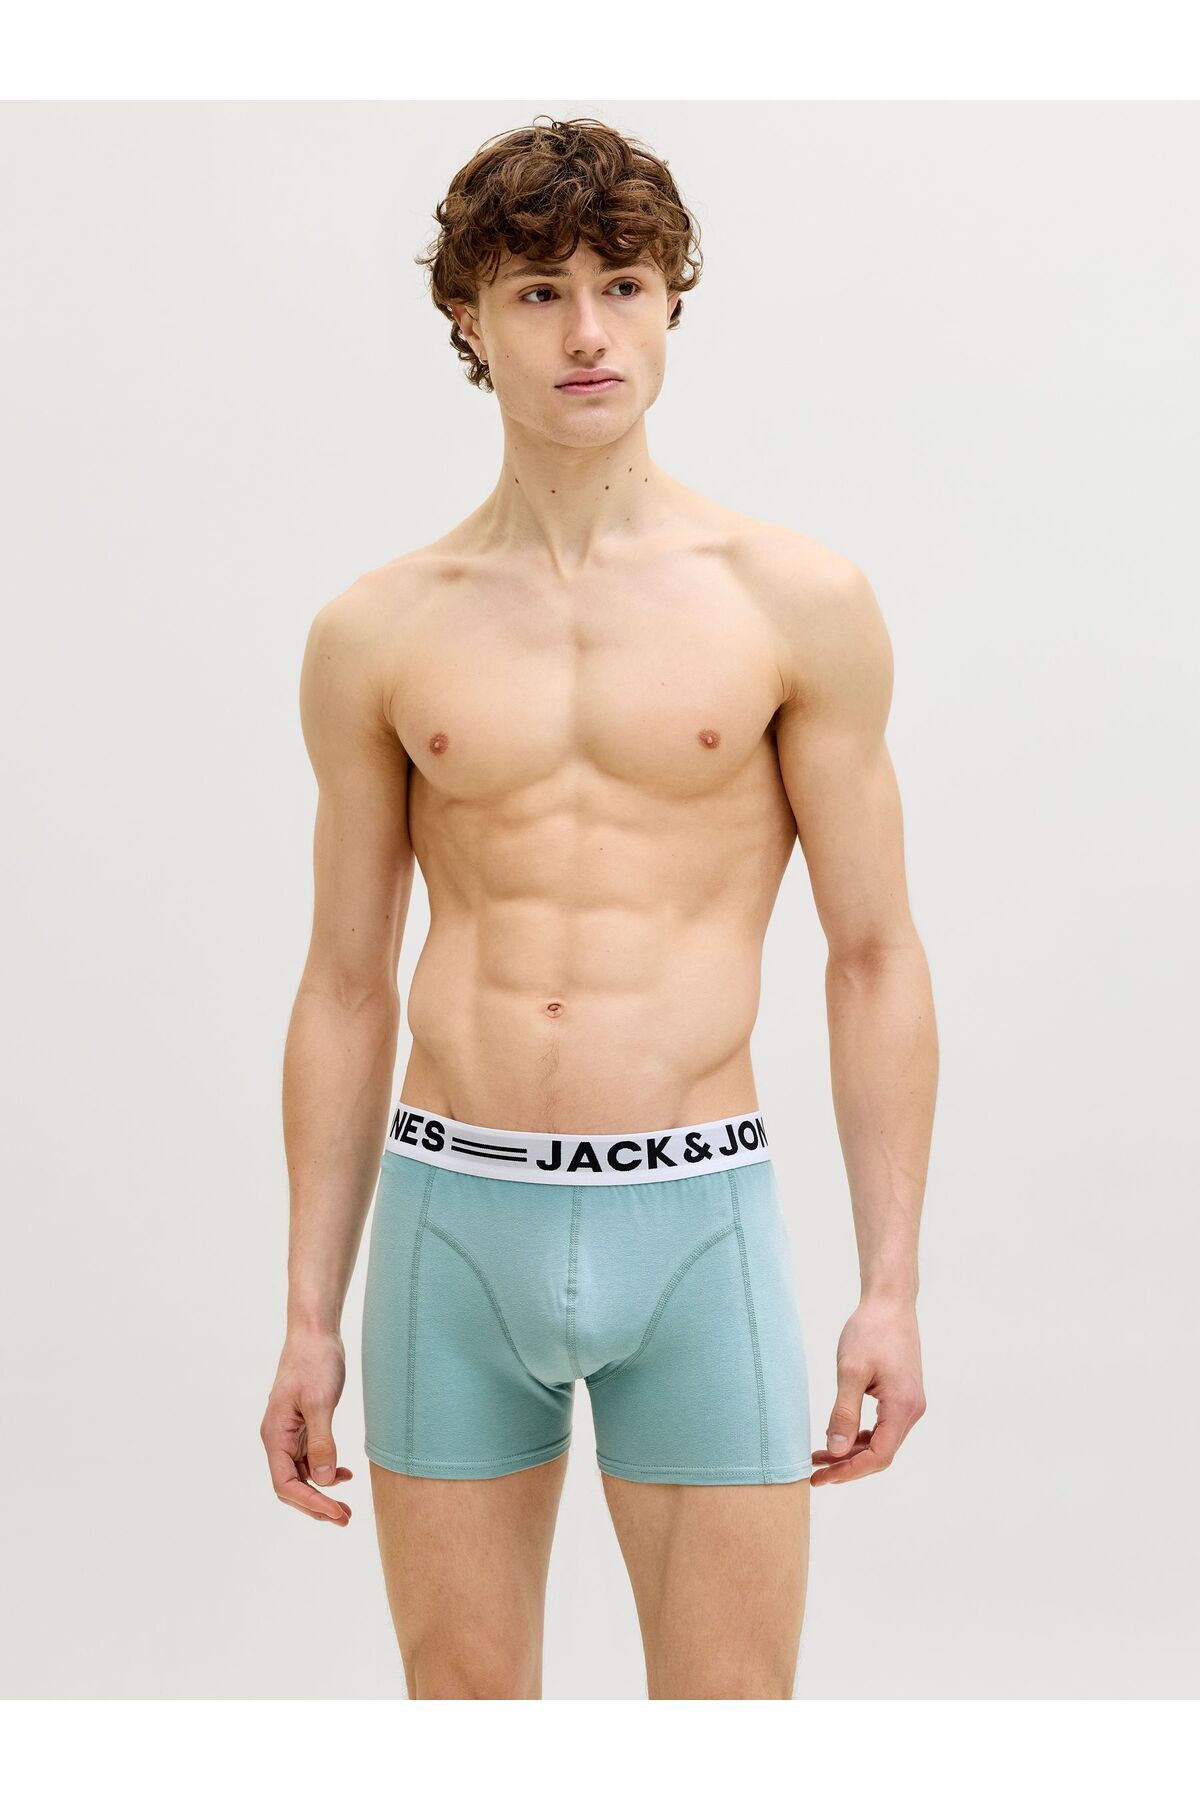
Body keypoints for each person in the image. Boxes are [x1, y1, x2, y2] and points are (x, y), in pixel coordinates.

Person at [260, 114, 938, 1701]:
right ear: (468, 318)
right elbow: (345, 983)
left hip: (694, 1221)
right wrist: (306, 1313)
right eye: (539, 291)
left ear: (670, 303)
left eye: (623, 286)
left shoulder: (794, 602)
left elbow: (872, 954)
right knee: (465, 1721)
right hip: (453, 1221)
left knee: (727, 1720)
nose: (588, 334)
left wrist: (891, 1288)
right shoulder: (376, 632)